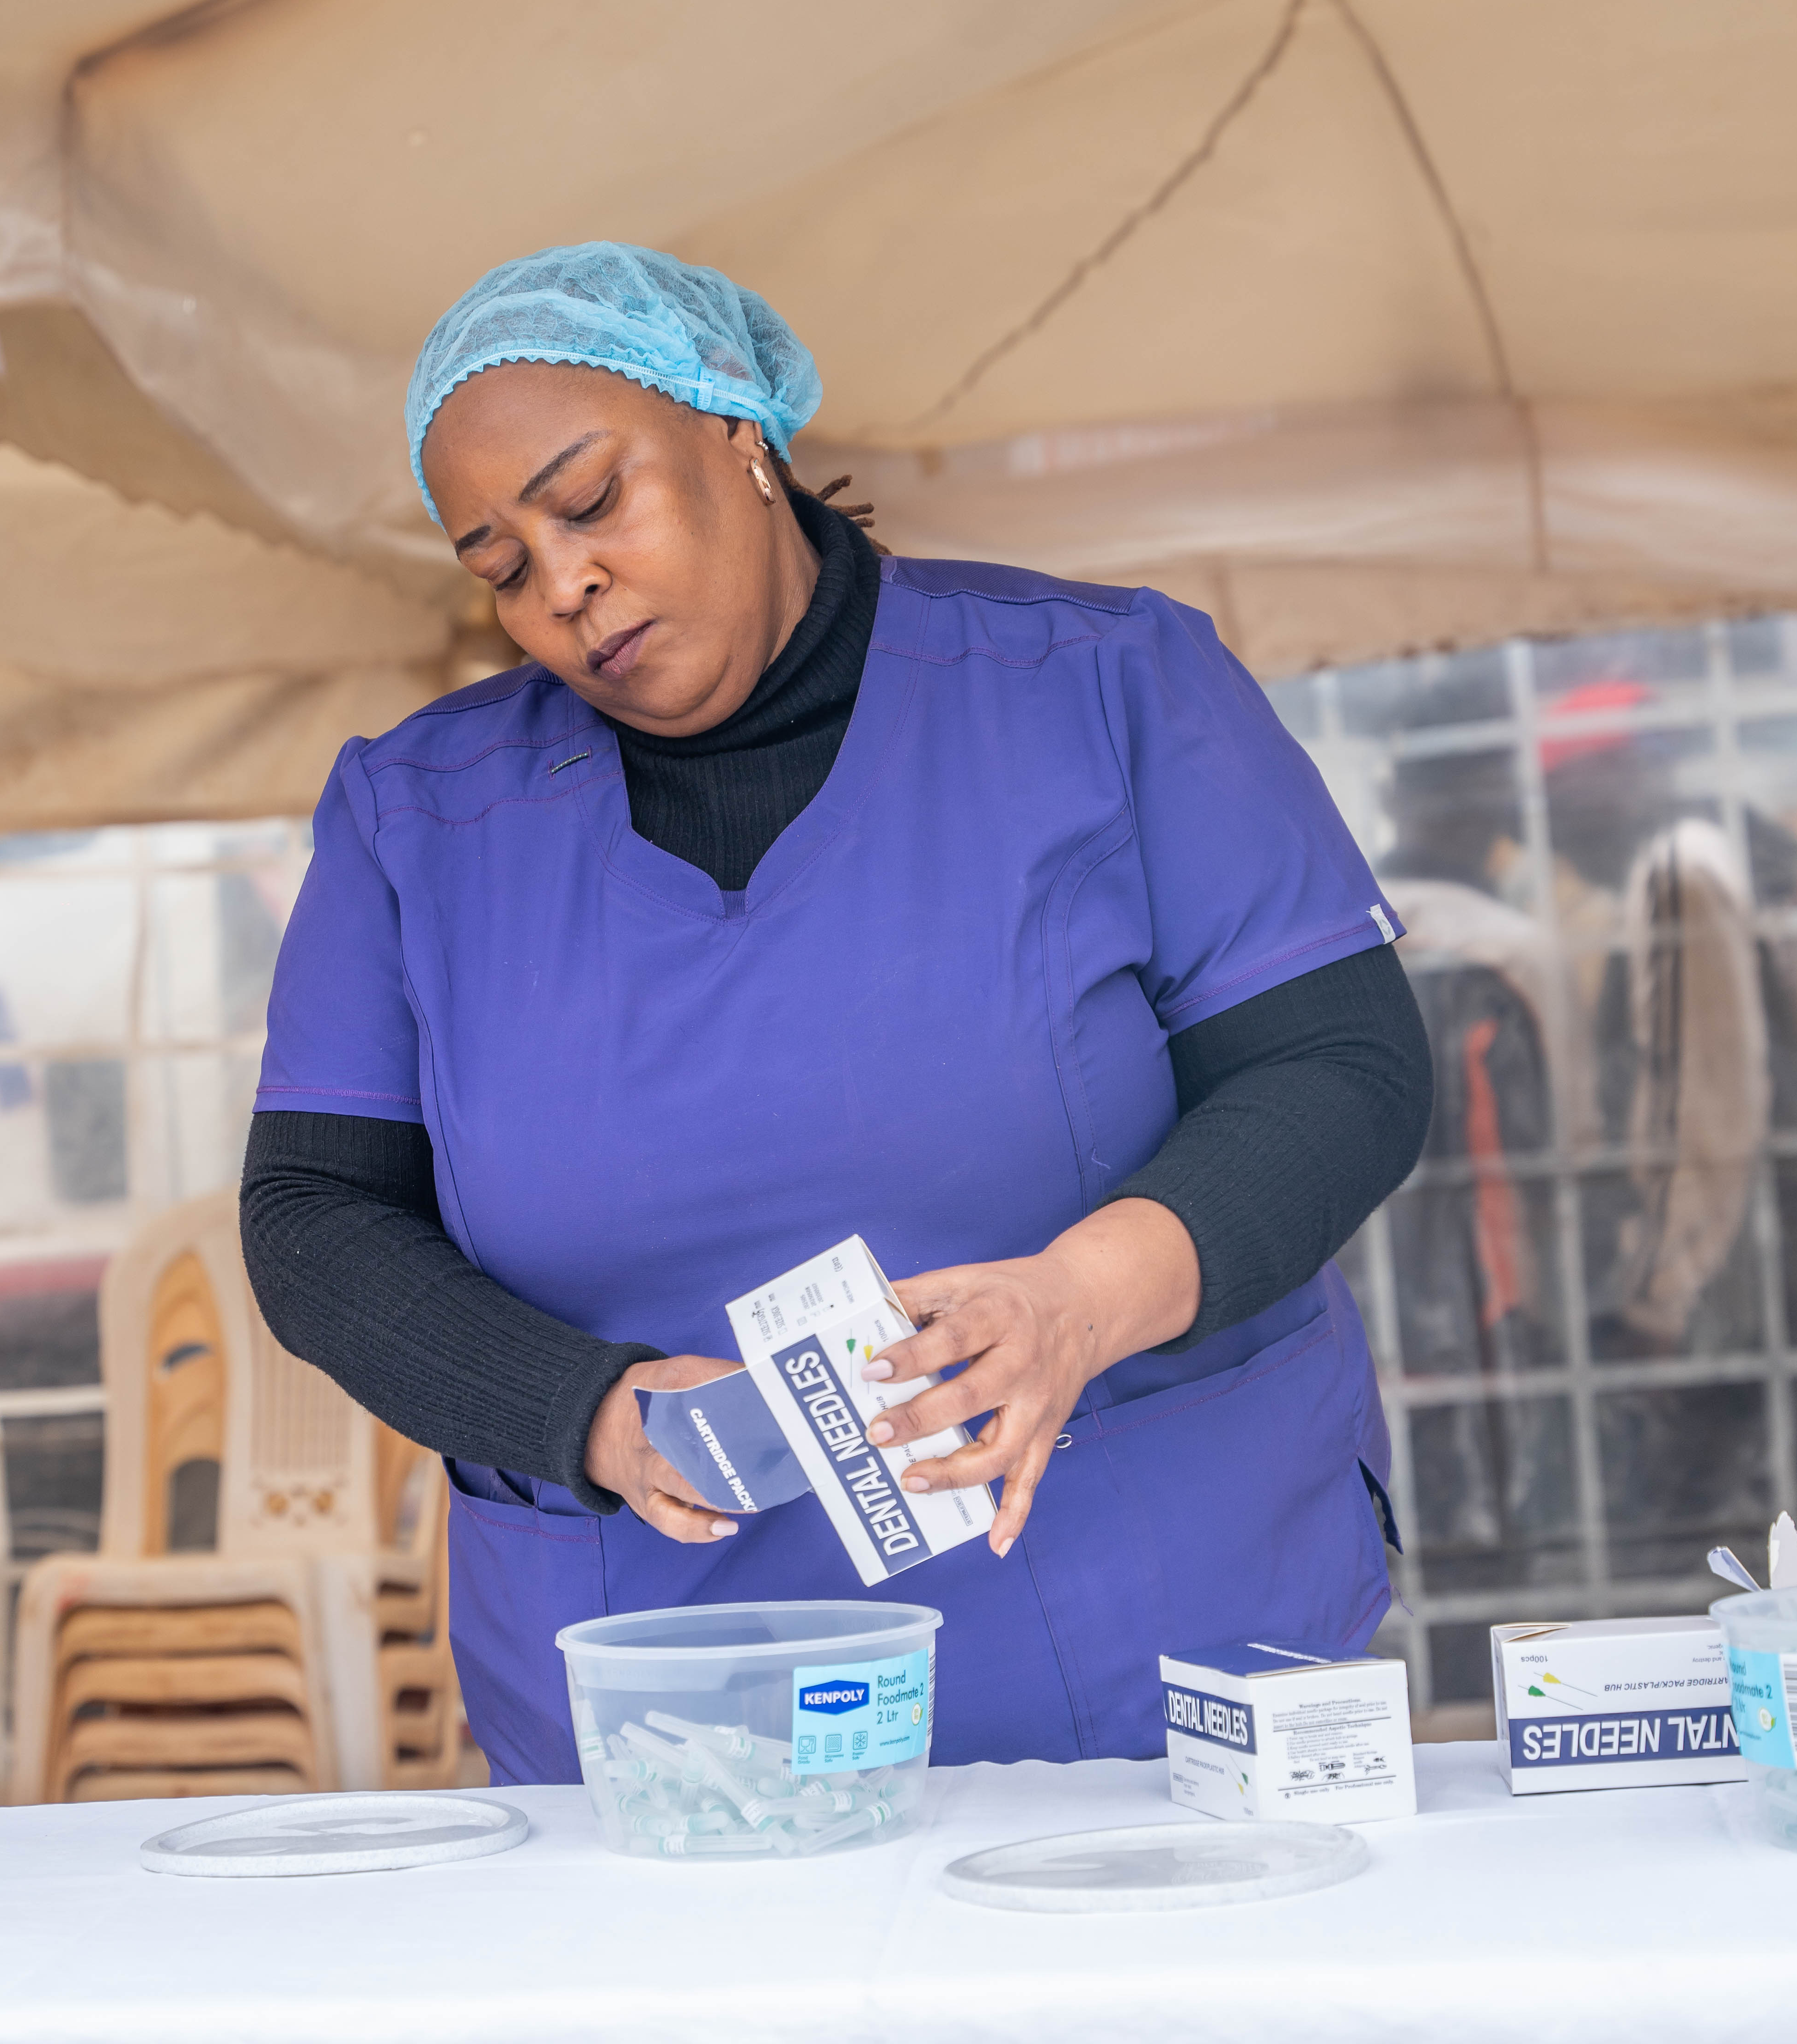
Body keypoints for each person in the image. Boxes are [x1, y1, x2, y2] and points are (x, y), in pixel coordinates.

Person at [241, 244, 1433, 1785]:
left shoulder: (1101, 687)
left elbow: (1336, 1063)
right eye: (502, 567)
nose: (562, 584)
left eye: (589, 501)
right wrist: (580, 1412)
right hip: (672, 1719)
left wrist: (1077, 1302)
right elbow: (314, 1217)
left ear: (738, 431)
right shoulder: (418, 821)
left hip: (1154, 1638)